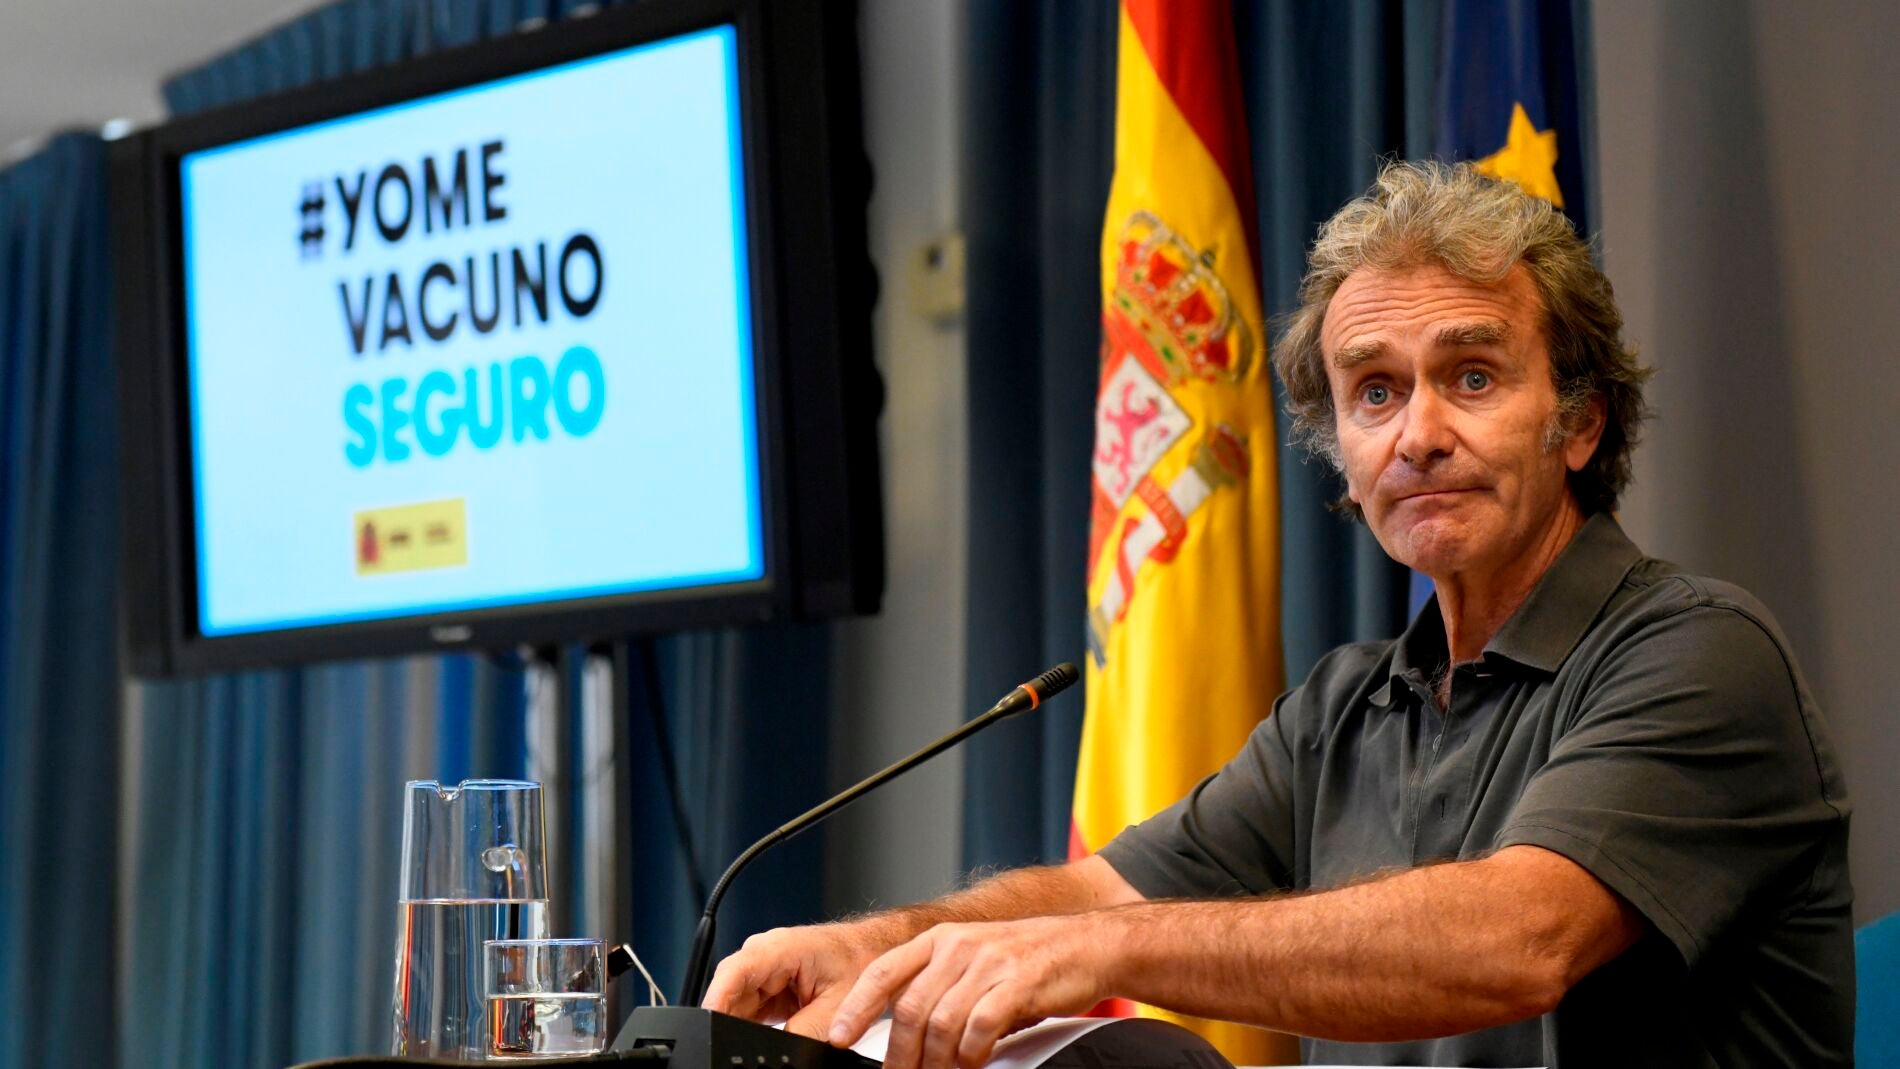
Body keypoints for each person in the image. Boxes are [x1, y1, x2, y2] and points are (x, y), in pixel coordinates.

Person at [703, 161, 1854, 1068]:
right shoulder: (1345, 707)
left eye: (1471, 376)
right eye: (1374, 391)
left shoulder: (1698, 653)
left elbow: (1516, 940)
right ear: (1338, 450)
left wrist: (1092, 952)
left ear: (1581, 422)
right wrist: (878, 947)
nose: (1417, 435)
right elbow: (1101, 889)